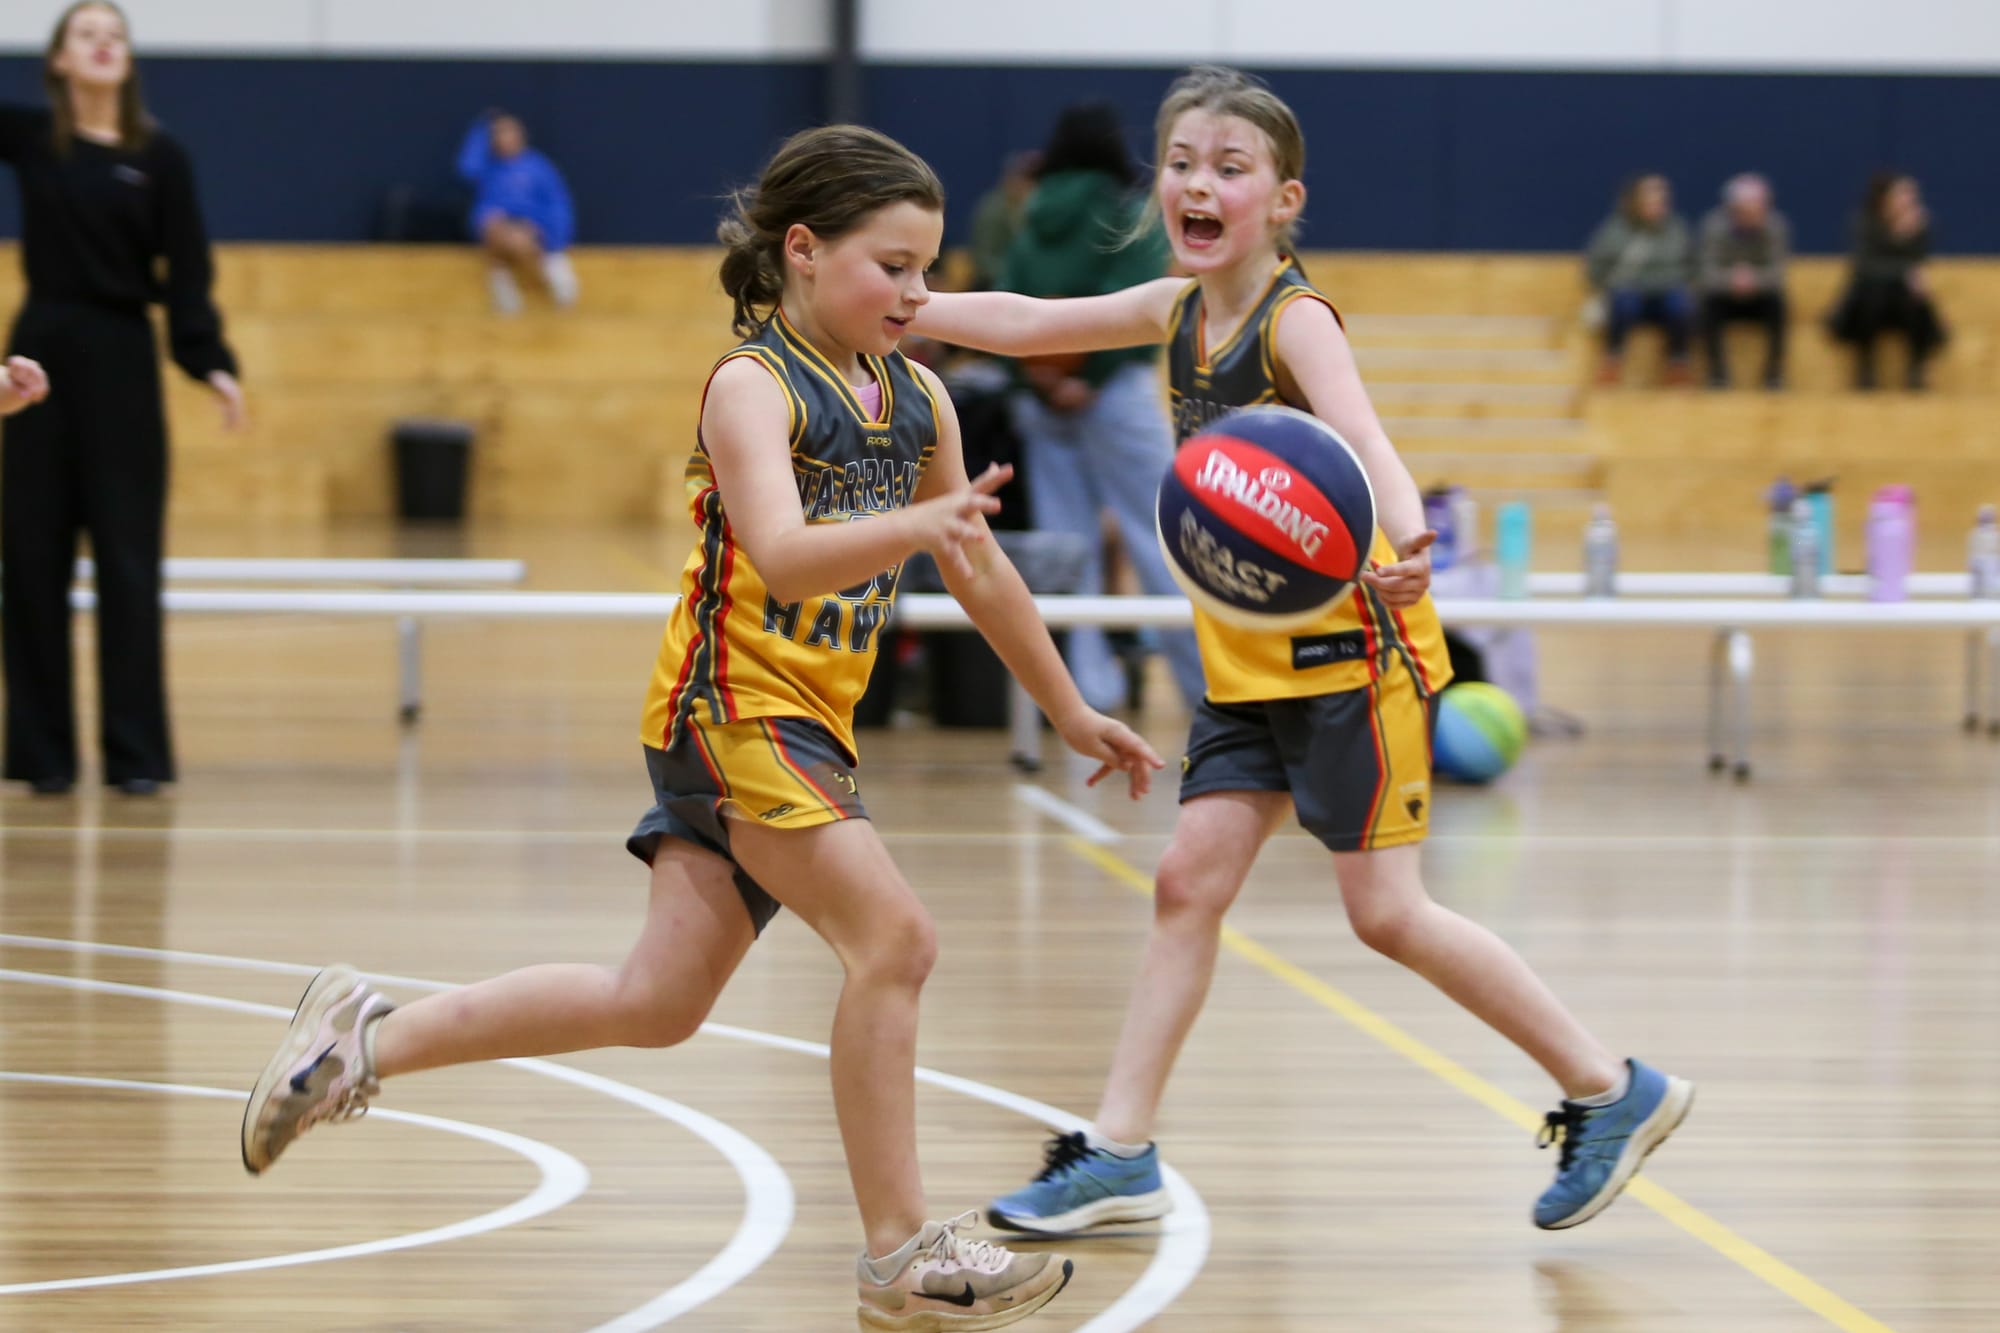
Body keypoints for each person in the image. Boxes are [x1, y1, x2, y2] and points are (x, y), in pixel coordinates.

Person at [239, 124, 1162, 1330]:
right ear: (802, 250)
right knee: (898, 939)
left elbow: (981, 576)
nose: (916, 293)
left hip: (803, 726)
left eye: (928, 269)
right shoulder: (751, 386)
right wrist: (919, 532)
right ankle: (898, 1253)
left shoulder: (918, 394)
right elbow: (780, 556)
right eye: (891, 266)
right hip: (729, 710)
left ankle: (361, 1038)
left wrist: (1071, 705)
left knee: (655, 1002)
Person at [913, 65, 1691, 1238]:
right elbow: (1028, 324)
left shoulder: (1294, 318)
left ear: (1281, 201)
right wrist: (896, 309)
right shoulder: (1173, 307)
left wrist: (1406, 529)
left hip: (1345, 658)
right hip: (1247, 662)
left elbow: (1364, 432)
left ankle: (1607, 1087)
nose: (1196, 182)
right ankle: (1119, 1151)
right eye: (1179, 162)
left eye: (1230, 167)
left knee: (1383, 913)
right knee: (1185, 883)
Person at [0, 0, 243, 797]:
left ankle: (135, 756)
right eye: (86, 34)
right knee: (30, 557)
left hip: (123, 357)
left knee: (128, 561)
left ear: (128, 60)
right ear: (60, 61)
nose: (104, 44)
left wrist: (207, 358)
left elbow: (189, 269)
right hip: (38, 354)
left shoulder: (160, 155)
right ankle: (41, 756)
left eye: (115, 35)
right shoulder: (33, 137)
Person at [997, 102, 1205, 712]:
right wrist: (1094, 375)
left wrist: (1039, 378)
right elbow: (1136, 302)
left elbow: (1007, 298)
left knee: (1068, 559)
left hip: (1041, 400)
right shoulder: (1126, 209)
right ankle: (1212, 699)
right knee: (1165, 543)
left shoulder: (1029, 213)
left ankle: (1084, 702)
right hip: (1113, 396)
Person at [1827, 172, 1946, 391]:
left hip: (1902, 304)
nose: (1908, 201)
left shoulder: (1918, 225)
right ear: (1886, 198)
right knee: (1874, 296)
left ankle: (1915, 369)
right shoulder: (1865, 221)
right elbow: (1865, 267)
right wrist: (1897, 242)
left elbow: (1919, 264)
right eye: (1902, 195)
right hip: (1868, 302)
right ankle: (1866, 368)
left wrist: (1907, 238)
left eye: (1911, 196)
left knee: (1915, 300)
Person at [456, 109, 578, 313]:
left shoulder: (538, 167)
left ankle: (554, 269)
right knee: (491, 226)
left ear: (520, 134)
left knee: (517, 241)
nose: (502, 138)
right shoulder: (488, 166)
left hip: (533, 228)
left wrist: (551, 237)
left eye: (507, 132)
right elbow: (466, 168)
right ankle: (503, 288)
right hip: (499, 229)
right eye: (496, 133)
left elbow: (557, 204)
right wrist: (481, 129)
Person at [1585, 174, 1696, 386]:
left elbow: (1693, 266)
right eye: (1651, 199)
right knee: (1623, 301)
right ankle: (1612, 359)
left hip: (1667, 295)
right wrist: (1611, 286)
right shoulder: (1615, 230)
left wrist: (1680, 283)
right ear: (1636, 201)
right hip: (1630, 296)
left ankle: (1678, 362)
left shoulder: (1677, 228)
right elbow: (1595, 269)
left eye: (1661, 199)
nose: (1657, 204)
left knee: (1680, 304)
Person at [1696, 173, 1791, 389]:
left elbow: (1778, 274)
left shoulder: (1775, 227)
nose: (1754, 213)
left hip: (1760, 297)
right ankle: (1717, 374)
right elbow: (1706, 272)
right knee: (1707, 305)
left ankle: (1774, 374)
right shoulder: (1714, 227)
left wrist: (1753, 279)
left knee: (1778, 304)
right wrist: (1733, 279)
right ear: (1734, 208)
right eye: (1747, 208)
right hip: (1725, 297)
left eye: (1759, 206)